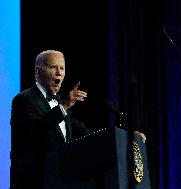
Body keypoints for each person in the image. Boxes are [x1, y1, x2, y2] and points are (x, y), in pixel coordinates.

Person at [10, 49, 146, 189]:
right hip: (33, 182)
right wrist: (64, 106)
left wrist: (124, 137)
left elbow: (85, 133)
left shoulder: (60, 105)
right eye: (53, 67)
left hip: (59, 181)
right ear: (38, 72)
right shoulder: (23, 100)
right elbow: (35, 130)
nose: (59, 72)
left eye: (62, 68)